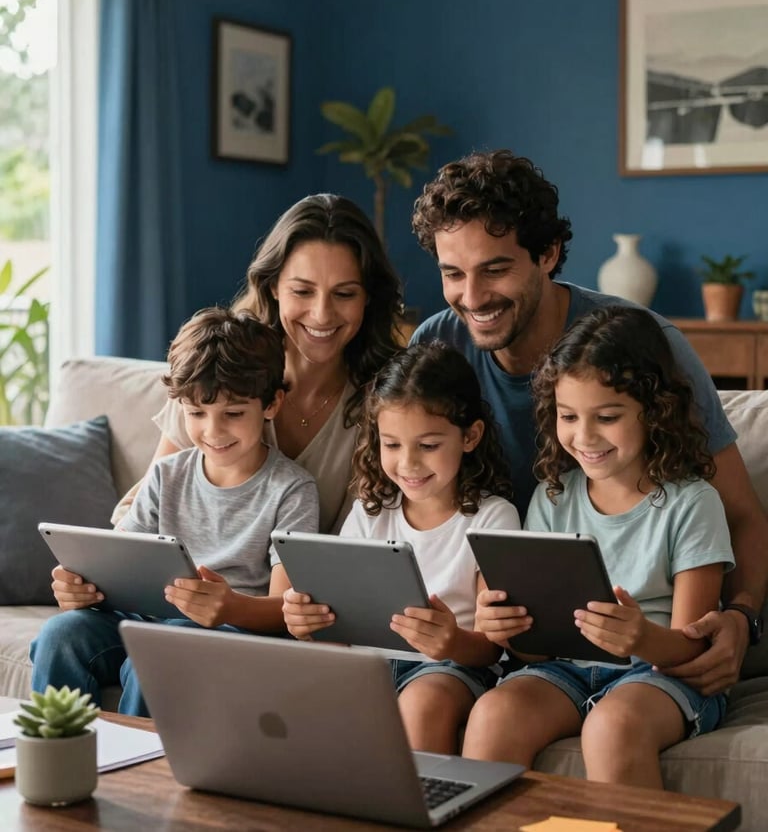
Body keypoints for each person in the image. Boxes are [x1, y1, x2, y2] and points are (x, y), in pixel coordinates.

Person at [410, 149, 768, 694]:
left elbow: (741, 512)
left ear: (548, 253)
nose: (472, 297)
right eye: (452, 273)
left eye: (496, 269)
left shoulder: (643, 344)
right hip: (514, 638)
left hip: (642, 634)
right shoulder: (436, 348)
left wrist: (742, 617)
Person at [463, 306, 735, 788]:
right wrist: (506, 631)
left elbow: (693, 645)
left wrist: (640, 639)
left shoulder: (693, 502)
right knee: (493, 713)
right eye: (568, 416)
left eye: (606, 417)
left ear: (654, 412)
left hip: (661, 673)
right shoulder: (552, 497)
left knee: (612, 726)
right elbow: (533, 653)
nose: (583, 437)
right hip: (565, 669)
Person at [30, 307, 319, 716]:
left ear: (271, 404)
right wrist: (83, 589)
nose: (213, 431)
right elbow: (120, 560)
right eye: (196, 413)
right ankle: (59, 764)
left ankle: (139, 778)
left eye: (233, 414)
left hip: (228, 630)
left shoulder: (292, 489)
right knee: (63, 634)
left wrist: (229, 605)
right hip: (149, 618)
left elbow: (284, 609)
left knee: (159, 652)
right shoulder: (167, 474)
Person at [282, 342, 522, 755]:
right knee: (297, 695)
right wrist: (307, 625)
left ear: (470, 436)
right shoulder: (371, 512)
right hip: (367, 662)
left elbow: (490, 645)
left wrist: (450, 642)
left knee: (421, 705)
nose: (407, 463)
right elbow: (341, 625)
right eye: (391, 445)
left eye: (428, 446)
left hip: (451, 667)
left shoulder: (493, 517)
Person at [116, 193, 404, 534]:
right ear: (273, 287)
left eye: (344, 294)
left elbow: (363, 546)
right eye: (302, 291)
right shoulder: (220, 364)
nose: (322, 314)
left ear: (368, 298)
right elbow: (142, 508)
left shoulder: (387, 401)